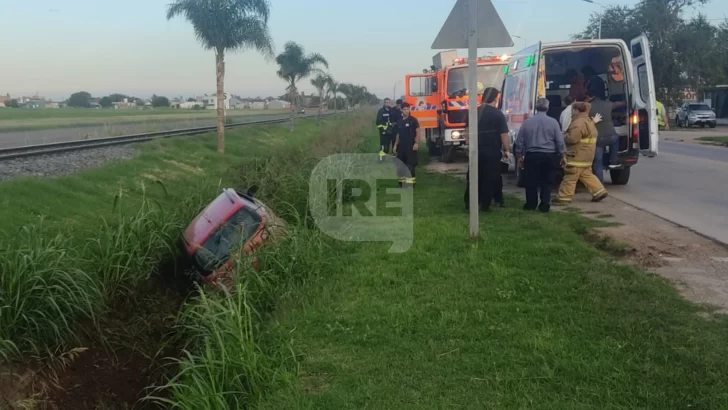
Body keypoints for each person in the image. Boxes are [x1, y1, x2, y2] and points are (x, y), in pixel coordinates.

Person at [463, 87, 510, 211]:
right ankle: (485, 204)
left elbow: (466, 132)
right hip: (492, 151)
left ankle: (469, 203)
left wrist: (468, 146)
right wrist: (507, 150)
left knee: (473, 176)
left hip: (475, 150)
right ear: (495, 98)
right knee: (490, 177)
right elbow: (503, 134)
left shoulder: (473, 112)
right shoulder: (497, 114)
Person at [515, 97, 565, 213]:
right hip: (549, 156)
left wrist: (519, 155)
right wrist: (563, 155)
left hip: (532, 155)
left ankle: (531, 204)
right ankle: (545, 204)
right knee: (547, 181)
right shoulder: (553, 122)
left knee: (530, 181)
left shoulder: (527, 122)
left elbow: (520, 140)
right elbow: (559, 141)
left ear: (536, 107)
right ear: (547, 107)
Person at [556, 101, 609, 204]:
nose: (571, 112)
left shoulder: (578, 123)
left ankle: (564, 198)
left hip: (576, 156)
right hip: (587, 156)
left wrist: (563, 136)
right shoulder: (588, 121)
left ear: (576, 110)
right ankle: (599, 191)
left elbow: (572, 139)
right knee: (587, 175)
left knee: (570, 177)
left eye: (572, 110)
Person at [586, 76, 627, 182]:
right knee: (616, 139)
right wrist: (625, 101)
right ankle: (613, 161)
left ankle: (599, 184)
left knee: (598, 162)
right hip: (610, 137)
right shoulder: (608, 104)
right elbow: (619, 104)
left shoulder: (588, 106)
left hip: (597, 139)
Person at [393, 102, 420, 188]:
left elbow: (418, 132)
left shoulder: (413, 120)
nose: (406, 111)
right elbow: (398, 134)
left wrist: (416, 143)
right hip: (401, 147)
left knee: (410, 166)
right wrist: (395, 145)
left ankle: (411, 184)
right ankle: (401, 184)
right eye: (404, 109)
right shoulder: (399, 121)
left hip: (410, 146)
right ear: (401, 110)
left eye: (408, 109)